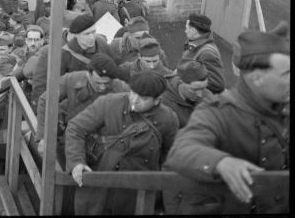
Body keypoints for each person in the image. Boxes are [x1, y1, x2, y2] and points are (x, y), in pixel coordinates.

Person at [164, 23, 290, 215]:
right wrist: (221, 162)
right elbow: (181, 151)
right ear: (257, 78)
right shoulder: (217, 111)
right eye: (287, 74)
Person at [65, 71, 179, 215]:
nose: (135, 99)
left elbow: (170, 157)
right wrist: (76, 162)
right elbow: (76, 128)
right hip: (101, 181)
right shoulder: (108, 103)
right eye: (133, 92)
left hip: (138, 191)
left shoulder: (168, 118)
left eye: (143, 98)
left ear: (157, 100)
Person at [36, 53, 129, 167]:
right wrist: (43, 136)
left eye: (107, 83)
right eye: (98, 83)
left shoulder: (121, 87)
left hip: (104, 144)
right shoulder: (71, 80)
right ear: (88, 74)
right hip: (73, 138)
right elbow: (45, 100)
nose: (102, 87)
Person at [180, 13, 225, 94]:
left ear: (193, 31)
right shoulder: (193, 43)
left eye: (186, 28)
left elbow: (217, 84)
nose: (185, 31)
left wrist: (189, 84)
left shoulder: (207, 53)